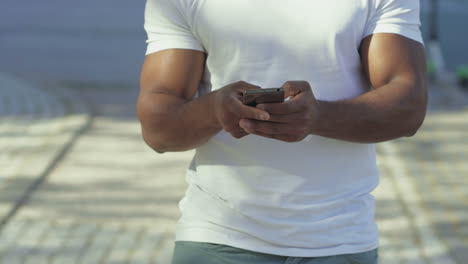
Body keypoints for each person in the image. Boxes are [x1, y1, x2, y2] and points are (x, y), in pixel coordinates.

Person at [137, 0, 427, 263]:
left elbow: (409, 106)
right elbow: (158, 129)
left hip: (341, 240)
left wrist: (319, 117)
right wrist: (214, 111)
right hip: (218, 236)